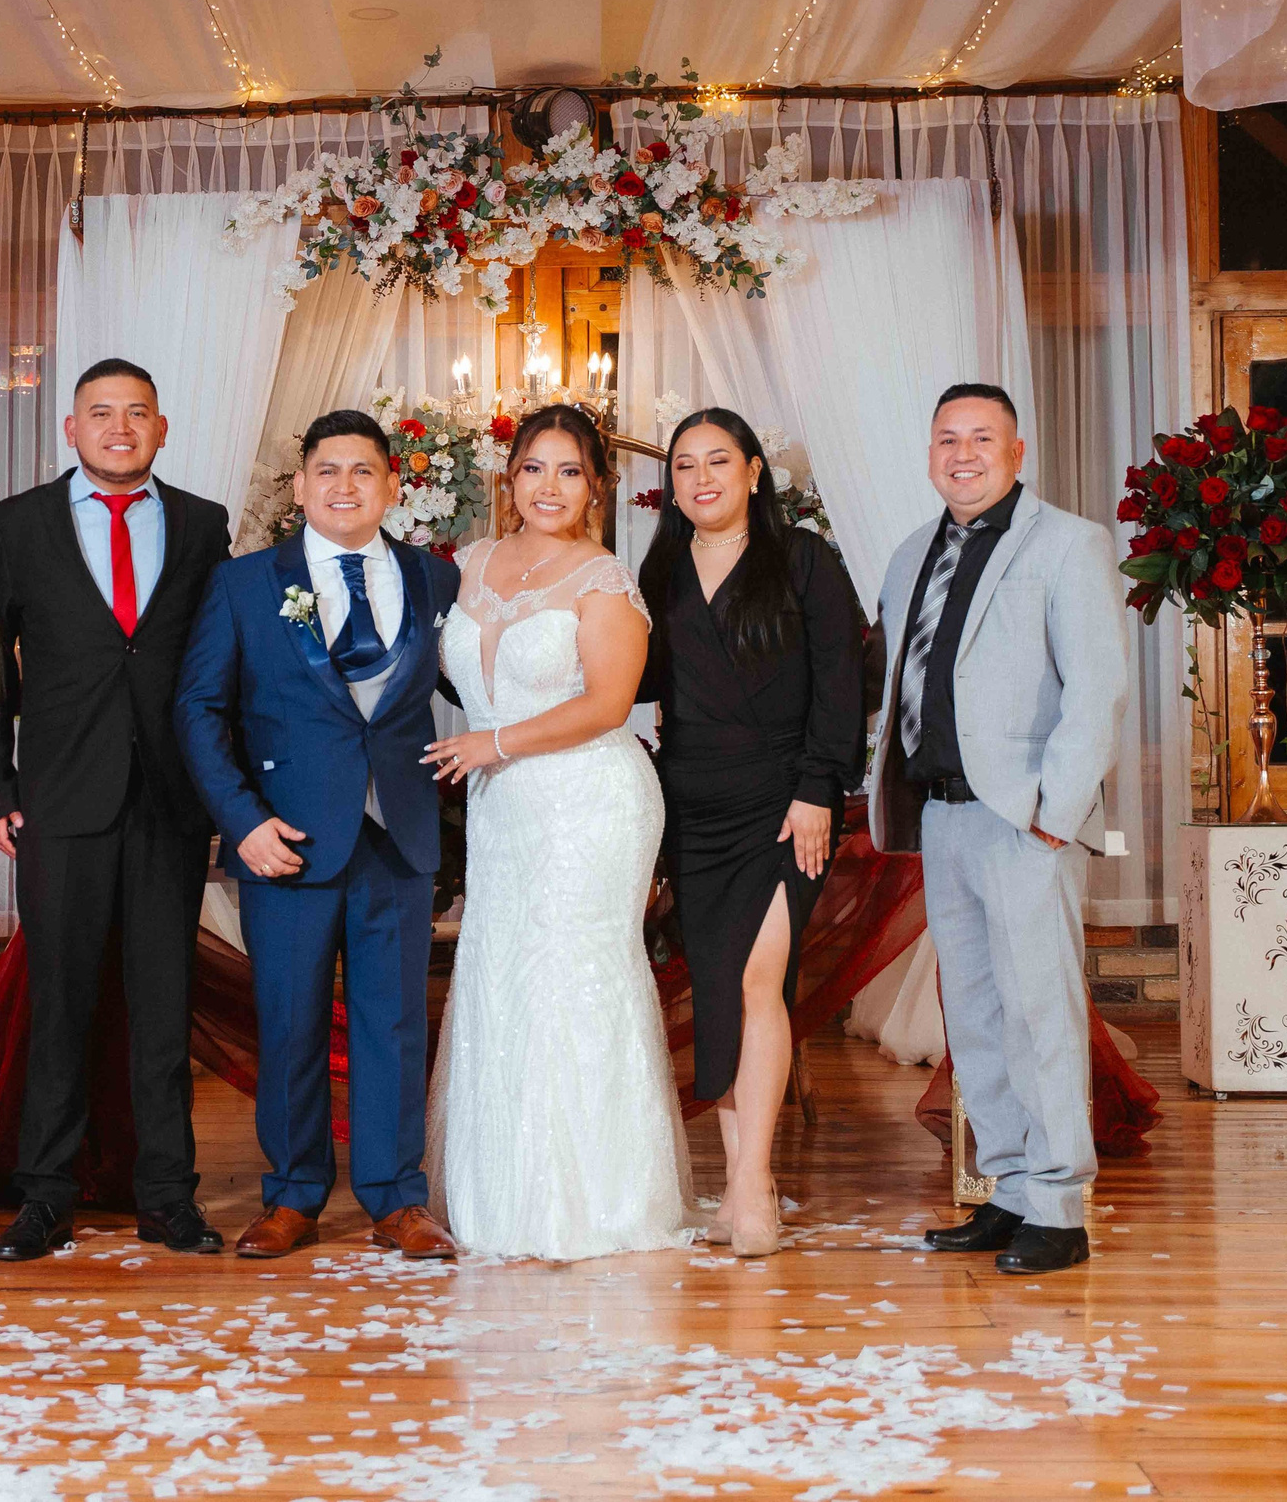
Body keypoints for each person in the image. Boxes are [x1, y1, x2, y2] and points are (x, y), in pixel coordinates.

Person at [173, 409, 463, 1261]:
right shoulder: (245, 583)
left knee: (395, 1023)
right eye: (327, 470)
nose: (345, 486)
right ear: (299, 486)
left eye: (363, 471)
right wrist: (243, 821)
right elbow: (197, 710)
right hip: (288, 839)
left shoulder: (435, 580)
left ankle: (395, 1197)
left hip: (398, 837)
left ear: (392, 485)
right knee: (291, 1022)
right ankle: (295, 1192)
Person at [421, 405, 694, 1261]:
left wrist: (493, 743)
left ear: (597, 487)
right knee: (504, 975)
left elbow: (610, 704)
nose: (549, 487)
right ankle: (501, 1195)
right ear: (510, 480)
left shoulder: (604, 577)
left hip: (590, 800)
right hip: (504, 808)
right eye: (534, 468)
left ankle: (599, 1201)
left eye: (569, 471)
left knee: (575, 977)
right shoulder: (467, 565)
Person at [867, 383, 1126, 1276]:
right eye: (947, 438)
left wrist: (1056, 814)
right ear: (930, 452)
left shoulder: (1067, 544)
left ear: (1018, 452)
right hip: (939, 812)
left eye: (982, 437)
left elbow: (1096, 691)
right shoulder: (909, 557)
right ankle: (1006, 1188)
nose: (963, 453)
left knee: (1039, 1010)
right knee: (973, 1015)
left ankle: (1060, 1205)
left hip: (1022, 820)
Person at [0, 360, 234, 1263]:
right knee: (61, 1003)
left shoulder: (204, 525)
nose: (119, 427)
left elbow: (216, 667)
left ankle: (168, 1194)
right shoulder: (14, 526)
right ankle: (45, 1194)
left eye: (136, 414)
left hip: (168, 800)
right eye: (101, 413)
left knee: (163, 1007)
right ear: (70, 428)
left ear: (161, 428)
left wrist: (224, 792)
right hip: (59, 798)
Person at [637, 408, 868, 1258]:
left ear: (754, 470)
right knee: (722, 986)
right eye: (686, 464)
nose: (702, 477)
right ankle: (745, 1189)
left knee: (760, 977)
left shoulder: (804, 561)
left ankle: (749, 1188)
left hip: (783, 802)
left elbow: (843, 683)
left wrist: (818, 788)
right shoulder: (657, 568)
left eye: (719, 461)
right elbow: (636, 678)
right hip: (694, 806)